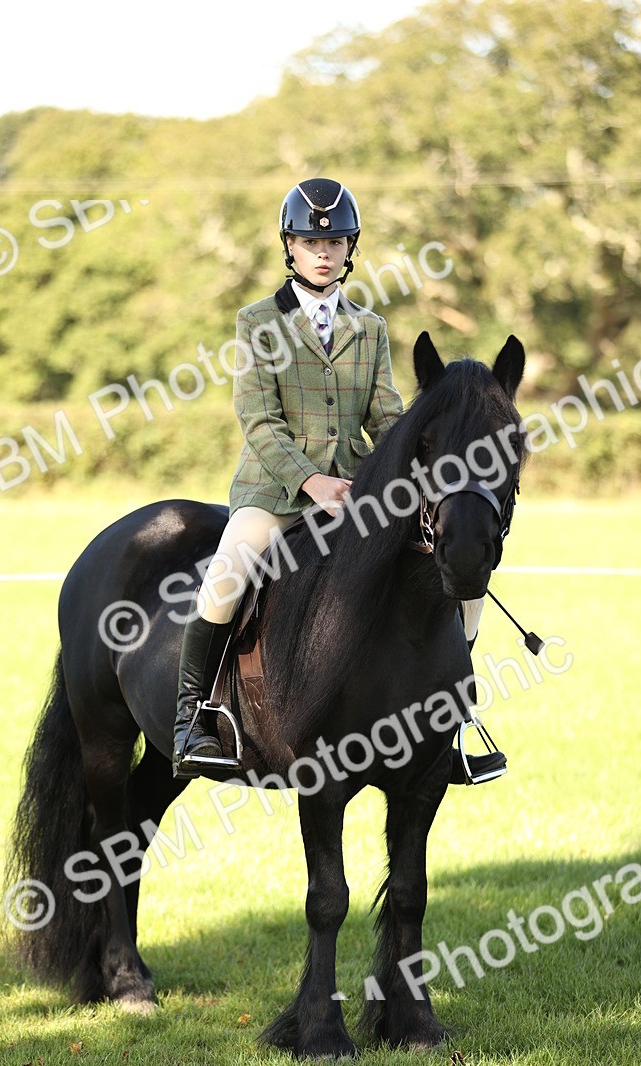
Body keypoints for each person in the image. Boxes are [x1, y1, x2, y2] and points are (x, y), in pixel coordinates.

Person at [172, 177, 504, 786]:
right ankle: (194, 717)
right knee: (228, 570)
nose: (322, 251)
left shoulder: (370, 328)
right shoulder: (256, 323)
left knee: (457, 575)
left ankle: (451, 723)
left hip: (357, 498)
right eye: (308, 241)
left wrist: (417, 456)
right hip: (275, 495)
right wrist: (312, 483)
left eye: (334, 241)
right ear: (290, 248)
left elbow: (385, 417)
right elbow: (259, 420)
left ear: (349, 247)